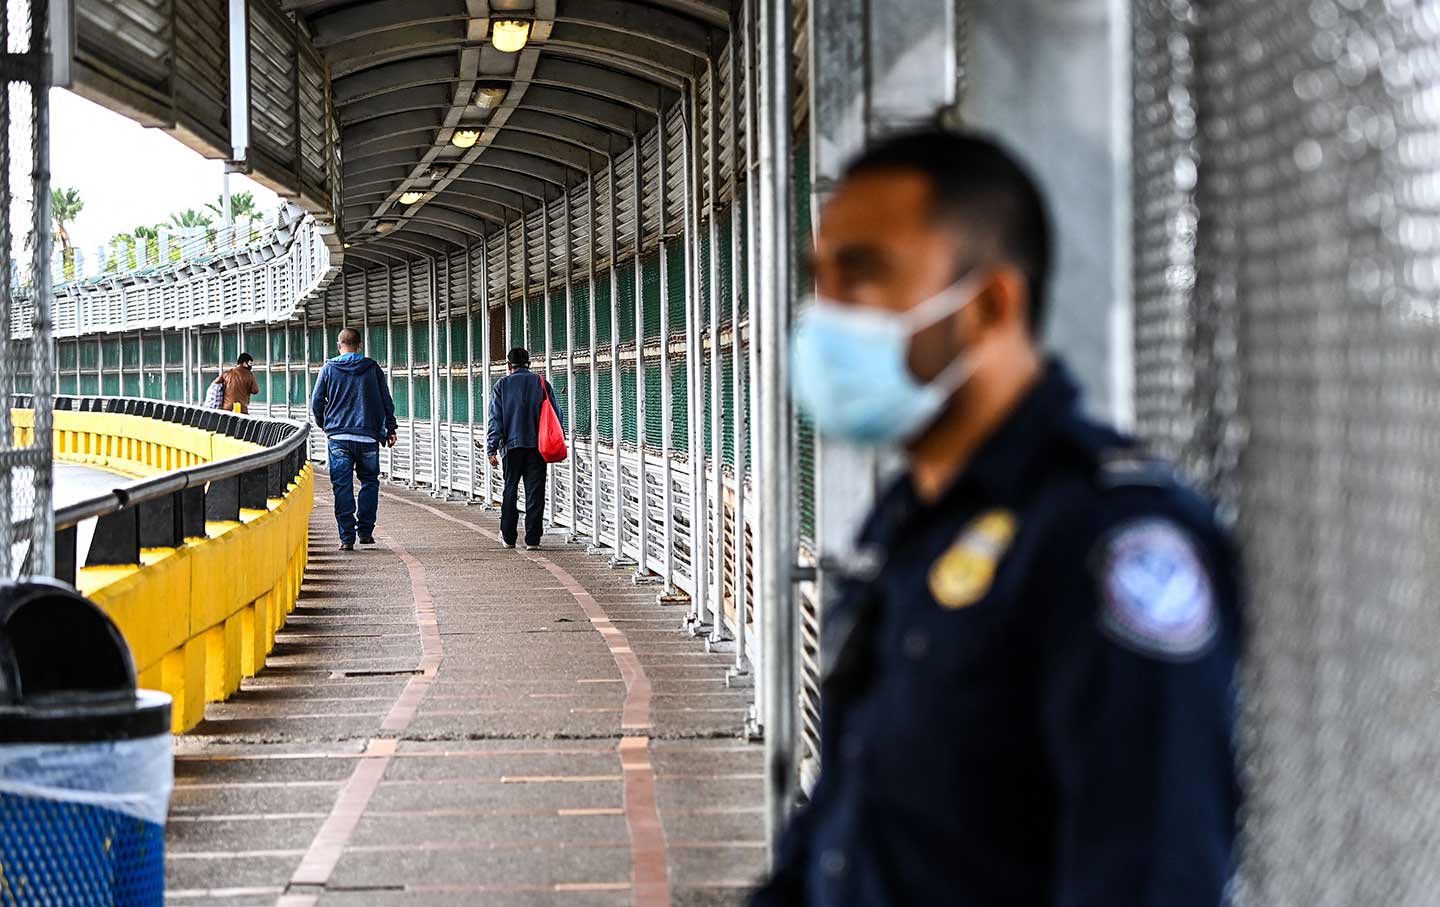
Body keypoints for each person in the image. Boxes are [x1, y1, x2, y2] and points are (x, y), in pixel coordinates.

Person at [754, 129, 1241, 906]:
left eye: (865, 276)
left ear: (988, 304)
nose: (824, 316)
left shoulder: (1110, 541)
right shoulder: (914, 521)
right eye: (821, 280)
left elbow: (1149, 874)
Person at [311, 328, 397, 552]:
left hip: (338, 437)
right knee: (369, 482)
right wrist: (390, 427)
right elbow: (386, 399)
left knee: (342, 486)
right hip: (368, 436)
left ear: (339, 345)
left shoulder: (329, 368)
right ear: (359, 345)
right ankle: (366, 531)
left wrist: (325, 425)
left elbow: (317, 402)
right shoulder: (372, 368)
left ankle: (346, 537)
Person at [484, 347, 562, 550]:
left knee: (510, 489)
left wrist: (492, 447)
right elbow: (556, 415)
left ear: (509, 366)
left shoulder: (502, 385)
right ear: (529, 364)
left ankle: (509, 537)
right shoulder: (542, 383)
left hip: (511, 448)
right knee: (535, 492)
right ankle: (533, 539)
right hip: (538, 448)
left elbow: (495, 420)